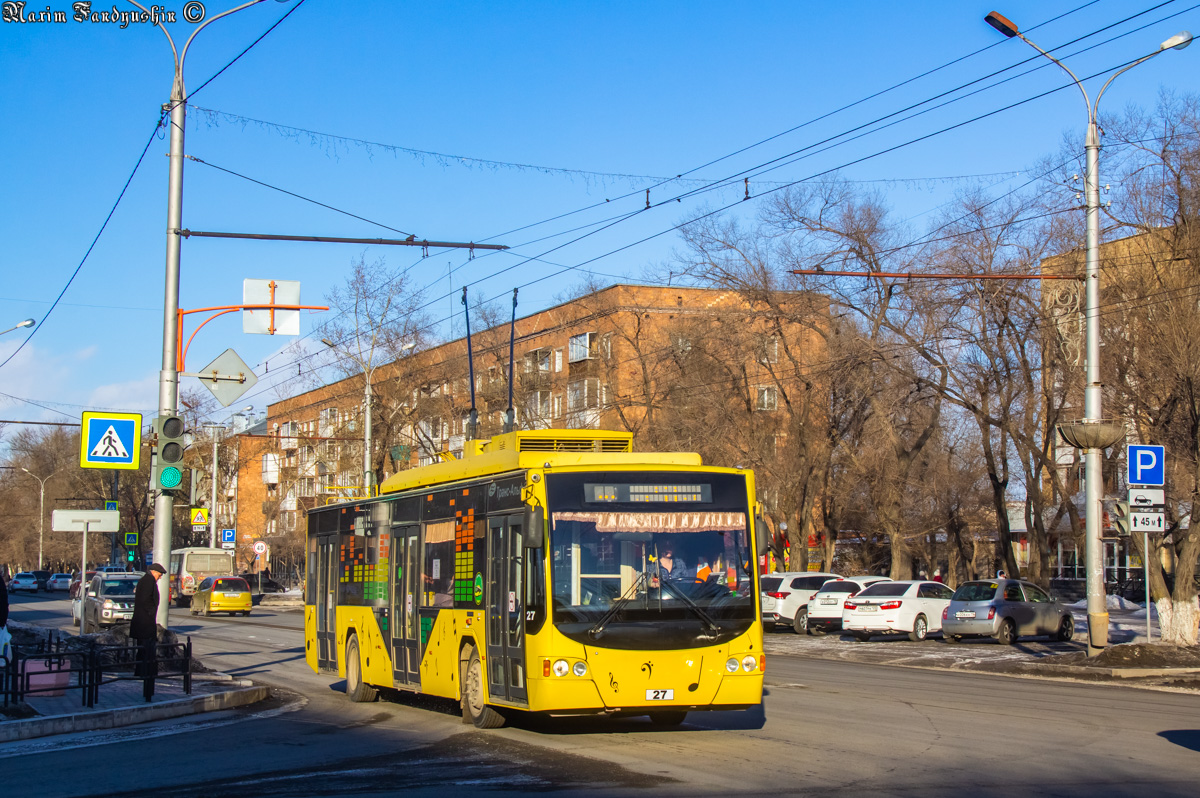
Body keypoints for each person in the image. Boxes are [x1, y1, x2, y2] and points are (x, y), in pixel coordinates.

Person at [131, 563, 166, 702]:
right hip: (144, 622)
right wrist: (151, 612)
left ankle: (141, 671)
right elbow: (146, 600)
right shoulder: (148, 581)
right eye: (159, 574)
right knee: (146, 648)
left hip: (144, 621)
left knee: (143, 648)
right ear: (153, 572)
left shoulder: (146, 580)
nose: (160, 577)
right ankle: (145, 672)